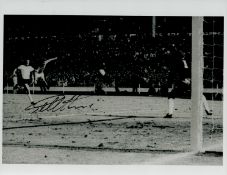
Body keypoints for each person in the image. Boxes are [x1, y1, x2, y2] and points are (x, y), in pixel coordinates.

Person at [163, 46, 212, 118]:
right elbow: (189, 71)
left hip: (182, 81)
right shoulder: (186, 61)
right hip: (189, 80)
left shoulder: (177, 62)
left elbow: (175, 73)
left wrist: (175, 81)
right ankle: (208, 110)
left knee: (171, 95)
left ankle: (170, 113)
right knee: (199, 94)